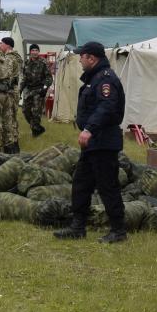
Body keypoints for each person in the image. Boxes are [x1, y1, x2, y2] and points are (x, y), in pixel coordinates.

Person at [56, 41, 127, 244]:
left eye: (82, 56)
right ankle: (78, 226)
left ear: (92, 58)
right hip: (93, 143)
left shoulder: (105, 80)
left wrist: (89, 129)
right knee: (81, 183)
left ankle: (118, 230)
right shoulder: (93, 78)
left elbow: (107, 107)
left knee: (108, 186)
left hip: (103, 141)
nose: (79, 60)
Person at [20, 43, 52, 137]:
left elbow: (49, 78)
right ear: (30, 52)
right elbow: (24, 78)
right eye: (33, 50)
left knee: (36, 112)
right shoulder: (26, 63)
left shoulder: (43, 62)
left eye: (36, 50)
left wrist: (45, 88)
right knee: (25, 110)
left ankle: (35, 133)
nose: (34, 52)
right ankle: (37, 128)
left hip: (39, 90)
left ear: (39, 52)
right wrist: (20, 90)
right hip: (29, 90)